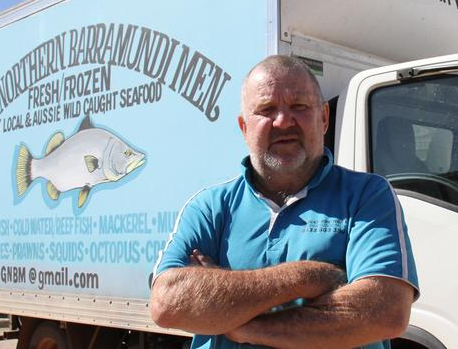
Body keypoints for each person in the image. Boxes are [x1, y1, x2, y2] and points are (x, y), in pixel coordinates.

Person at [150, 55, 419, 349]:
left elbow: (385, 313)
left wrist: (237, 322)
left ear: (324, 118)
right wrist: (308, 277)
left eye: (299, 107)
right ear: (244, 127)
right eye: (266, 109)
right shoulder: (210, 207)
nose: (283, 121)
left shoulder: (367, 195)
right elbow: (167, 303)